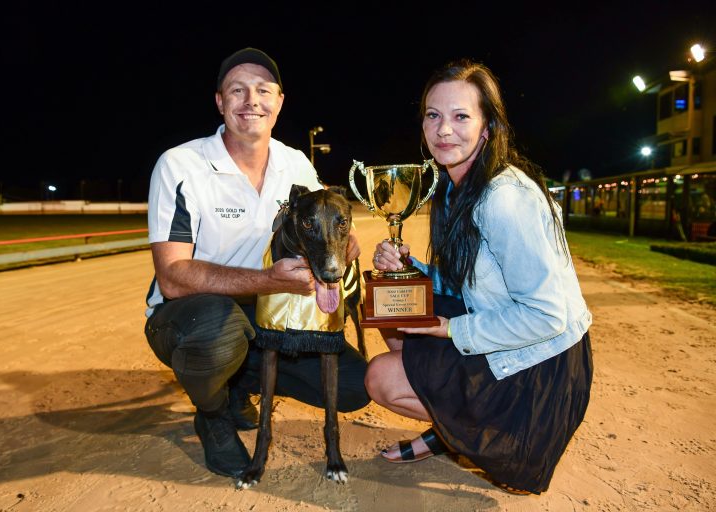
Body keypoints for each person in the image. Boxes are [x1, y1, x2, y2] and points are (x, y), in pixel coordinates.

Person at [364, 59, 593, 495]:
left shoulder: (504, 198)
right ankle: (451, 425)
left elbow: (547, 316)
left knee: (381, 376)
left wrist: (449, 327)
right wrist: (409, 270)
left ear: (487, 127)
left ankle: (469, 432)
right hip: (514, 334)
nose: (444, 130)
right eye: (433, 115)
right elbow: (471, 283)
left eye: (461, 116)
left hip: (541, 369)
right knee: (390, 310)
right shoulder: (457, 187)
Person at [144, 47, 369, 479]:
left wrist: (345, 243)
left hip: (270, 313)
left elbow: (332, 221)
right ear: (220, 101)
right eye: (238, 91)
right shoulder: (181, 164)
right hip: (192, 313)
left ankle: (239, 382)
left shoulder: (295, 163)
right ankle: (213, 414)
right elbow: (172, 277)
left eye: (263, 91)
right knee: (220, 330)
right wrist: (268, 280)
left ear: (279, 102)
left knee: (355, 386)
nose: (252, 101)